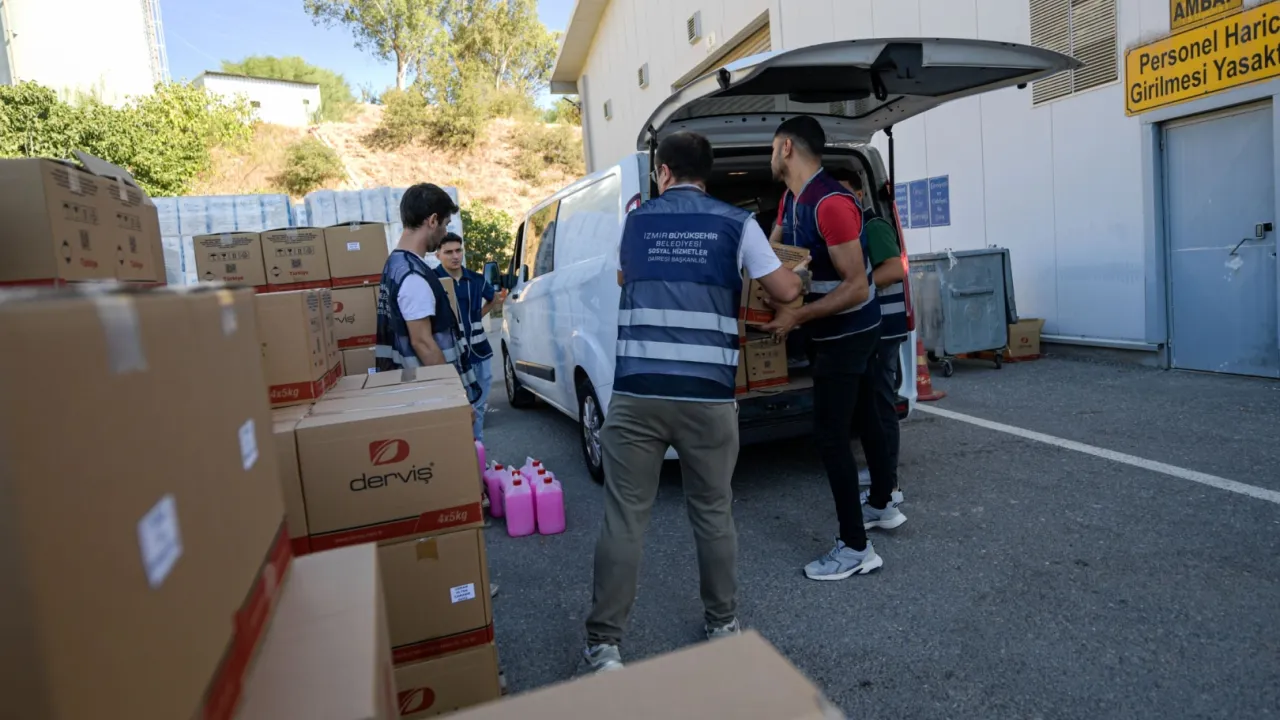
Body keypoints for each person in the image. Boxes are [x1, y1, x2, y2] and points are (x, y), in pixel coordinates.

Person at [583, 131, 804, 673]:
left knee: (624, 517)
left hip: (638, 393)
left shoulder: (636, 222)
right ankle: (722, 624)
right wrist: (794, 279)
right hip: (706, 397)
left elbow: (624, 275)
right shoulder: (737, 224)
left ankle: (605, 646)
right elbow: (784, 291)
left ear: (663, 172)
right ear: (708, 173)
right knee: (712, 511)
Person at [761, 116, 906, 583]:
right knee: (868, 416)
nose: (769, 156)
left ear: (786, 147)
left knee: (830, 436)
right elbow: (771, 254)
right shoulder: (791, 199)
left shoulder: (831, 203)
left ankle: (855, 548)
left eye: (772, 147)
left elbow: (858, 287)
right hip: (834, 333)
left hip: (849, 334)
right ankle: (883, 504)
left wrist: (796, 316)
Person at [828, 169, 909, 506]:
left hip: (884, 329)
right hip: (873, 329)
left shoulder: (873, 225)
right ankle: (881, 473)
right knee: (870, 405)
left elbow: (895, 268)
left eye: (844, 193)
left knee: (880, 403)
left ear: (859, 195)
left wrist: (855, 284)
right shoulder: (854, 228)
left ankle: (889, 483)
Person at [374, 183, 482, 406]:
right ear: (433, 221)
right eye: (445, 224)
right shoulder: (413, 276)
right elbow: (423, 343)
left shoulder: (395, 264)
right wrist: (455, 398)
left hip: (415, 393)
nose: (445, 233)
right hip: (430, 397)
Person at [435, 232, 506, 443]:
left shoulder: (476, 279)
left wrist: (477, 316)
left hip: (480, 352)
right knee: (455, 410)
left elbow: (493, 299)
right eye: (449, 252)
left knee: (478, 408)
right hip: (451, 357)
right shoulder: (432, 280)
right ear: (438, 254)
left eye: (458, 250)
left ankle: (477, 451)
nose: (455, 256)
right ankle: (461, 452)